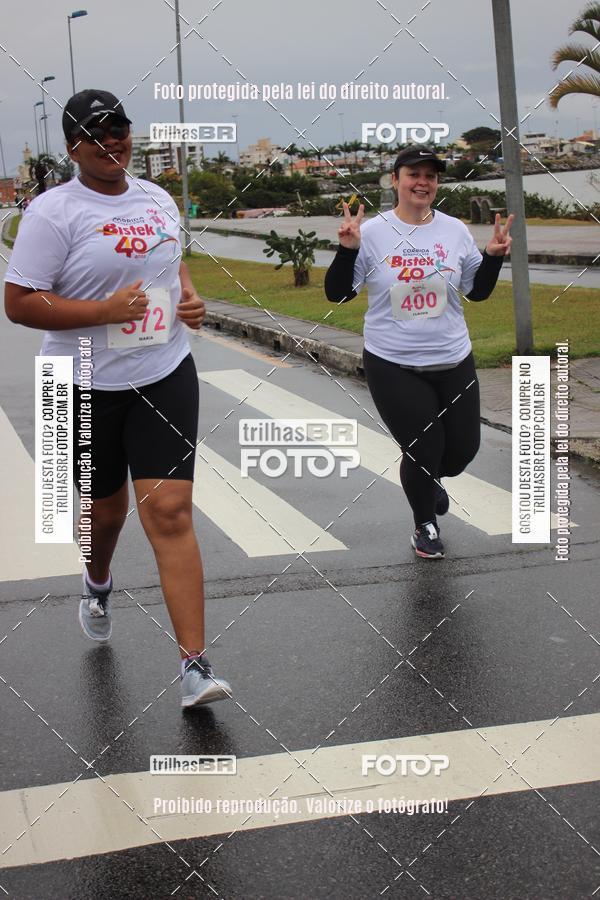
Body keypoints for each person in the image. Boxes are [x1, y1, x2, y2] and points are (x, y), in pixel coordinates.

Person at [4, 89, 231, 707]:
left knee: (170, 512)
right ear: (74, 147)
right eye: (97, 134)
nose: (113, 142)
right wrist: (102, 311)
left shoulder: (157, 199)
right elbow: (19, 303)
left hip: (162, 370)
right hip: (79, 382)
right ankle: (97, 580)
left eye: (120, 130)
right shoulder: (52, 212)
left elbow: (173, 266)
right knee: (104, 516)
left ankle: (194, 666)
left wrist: (190, 299)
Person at [325, 145, 513, 559]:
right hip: (394, 363)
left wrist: (493, 258)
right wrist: (348, 249)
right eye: (414, 174)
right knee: (422, 447)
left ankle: (430, 480)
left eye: (430, 176)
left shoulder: (454, 230)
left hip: (453, 358)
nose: (422, 182)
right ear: (395, 180)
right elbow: (338, 294)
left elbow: (476, 291)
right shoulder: (373, 233)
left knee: (461, 452)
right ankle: (424, 525)